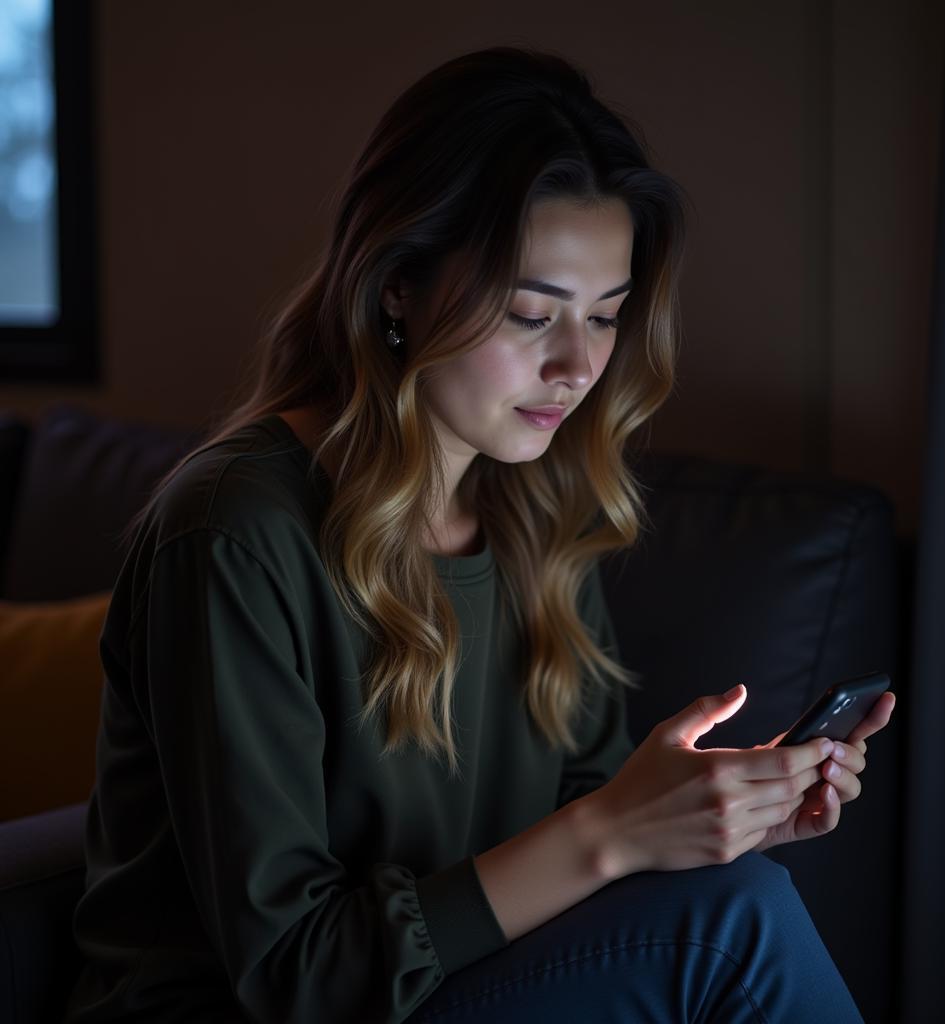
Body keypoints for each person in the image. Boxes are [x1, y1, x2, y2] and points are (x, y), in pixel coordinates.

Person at [63, 47, 895, 1023]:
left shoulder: (529, 511)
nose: (577, 365)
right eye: (530, 312)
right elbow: (296, 971)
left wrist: (704, 822)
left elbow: (573, 829)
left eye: (605, 316)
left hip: (455, 992)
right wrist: (609, 834)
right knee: (730, 926)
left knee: (732, 899)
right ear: (396, 287)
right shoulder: (231, 533)